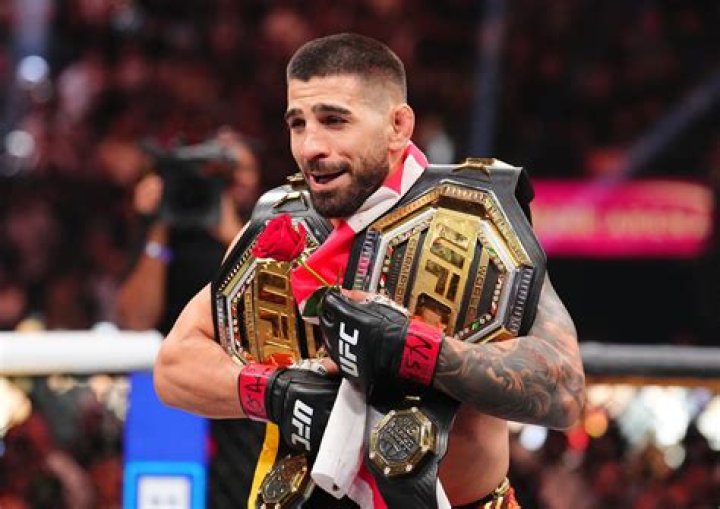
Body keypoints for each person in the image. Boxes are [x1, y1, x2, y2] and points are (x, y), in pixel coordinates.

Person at [154, 33, 585, 508]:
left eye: (334, 120)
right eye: (298, 124)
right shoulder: (278, 231)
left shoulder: (476, 224)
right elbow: (175, 366)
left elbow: (563, 388)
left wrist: (417, 350)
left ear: (398, 125)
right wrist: (273, 391)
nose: (311, 146)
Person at [116, 128, 261, 334]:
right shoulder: (164, 236)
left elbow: (271, 307)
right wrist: (162, 221)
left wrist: (233, 237)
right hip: (173, 346)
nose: (231, 180)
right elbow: (137, 320)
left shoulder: (265, 227)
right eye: (219, 173)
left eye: (240, 169)